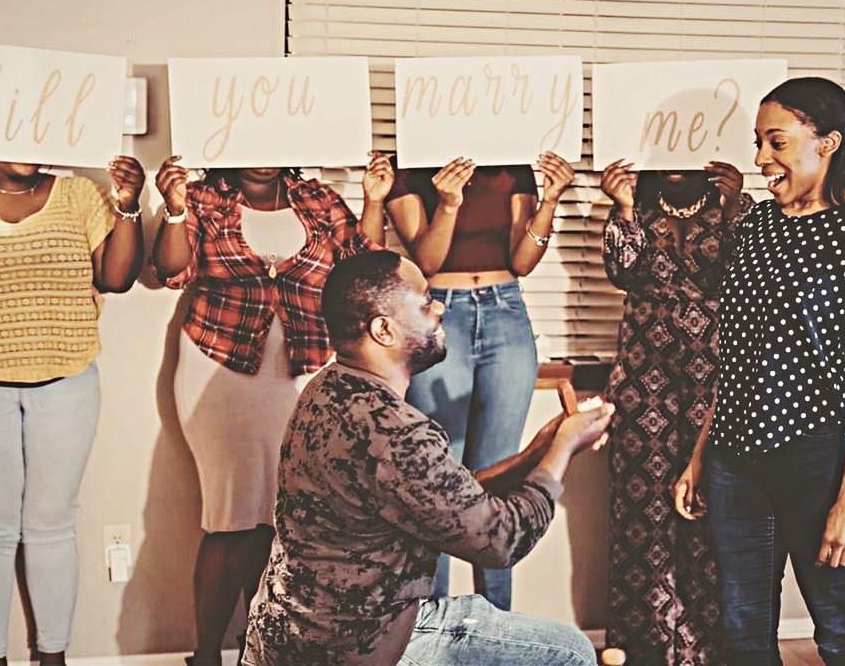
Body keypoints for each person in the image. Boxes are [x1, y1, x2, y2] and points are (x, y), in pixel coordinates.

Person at [242, 248, 612, 666]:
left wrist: (537, 451)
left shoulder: (327, 390)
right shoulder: (394, 429)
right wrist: (563, 452)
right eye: (424, 301)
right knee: (571, 651)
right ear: (384, 330)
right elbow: (501, 540)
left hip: (290, 634)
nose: (439, 308)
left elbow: (447, 496)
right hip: (358, 643)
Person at [674, 77, 845, 666]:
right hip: (735, 458)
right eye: (758, 142)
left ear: (827, 142)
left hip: (818, 456)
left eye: (776, 142)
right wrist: (703, 452)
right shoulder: (754, 226)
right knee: (741, 633)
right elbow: (738, 355)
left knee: (839, 629)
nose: (760, 160)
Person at [150, 152, 392, 665]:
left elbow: (363, 268)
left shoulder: (317, 199)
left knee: (285, 518)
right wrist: (173, 209)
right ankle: (208, 654)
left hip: (303, 370)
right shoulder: (203, 198)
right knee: (232, 516)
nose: (262, 159)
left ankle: (262, 651)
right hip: (221, 371)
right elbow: (171, 272)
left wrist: (373, 201)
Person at [0, 141, 146, 666]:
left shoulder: (80, 195)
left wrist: (129, 201)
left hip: (66, 384)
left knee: (52, 524)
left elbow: (116, 277)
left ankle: (52, 656)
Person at [384, 152, 575, 609]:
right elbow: (426, 262)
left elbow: (523, 261)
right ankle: (435, 628)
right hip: (439, 311)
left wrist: (549, 201)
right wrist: (448, 203)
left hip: (506, 309)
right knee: (438, 476)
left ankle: (497, 629)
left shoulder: (511, 166)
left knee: (498, 479)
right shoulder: (411, 163)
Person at [600, 161, 753, 665]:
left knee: (709, 510)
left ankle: (701, 649)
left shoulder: (739, 210)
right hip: (644, 377)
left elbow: (750, 278)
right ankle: (642, 646)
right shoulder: (637, 207)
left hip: (715, 378)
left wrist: (734, 207)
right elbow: (623, 273)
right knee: (640, 513)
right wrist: (622, 208)